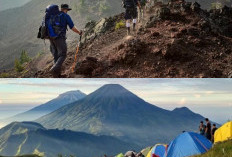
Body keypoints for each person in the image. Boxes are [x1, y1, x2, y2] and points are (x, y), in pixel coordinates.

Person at [49, 4, 82, 77]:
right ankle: (54, 69)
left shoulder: (53, 15)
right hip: (59, 38)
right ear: (65, 9)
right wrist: (79, 32)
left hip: (51, 38)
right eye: (67, 10)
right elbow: (72, 27)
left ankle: (57, 76)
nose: (67, 11)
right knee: (63, 54)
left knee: (56, 56)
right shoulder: (65, 16)